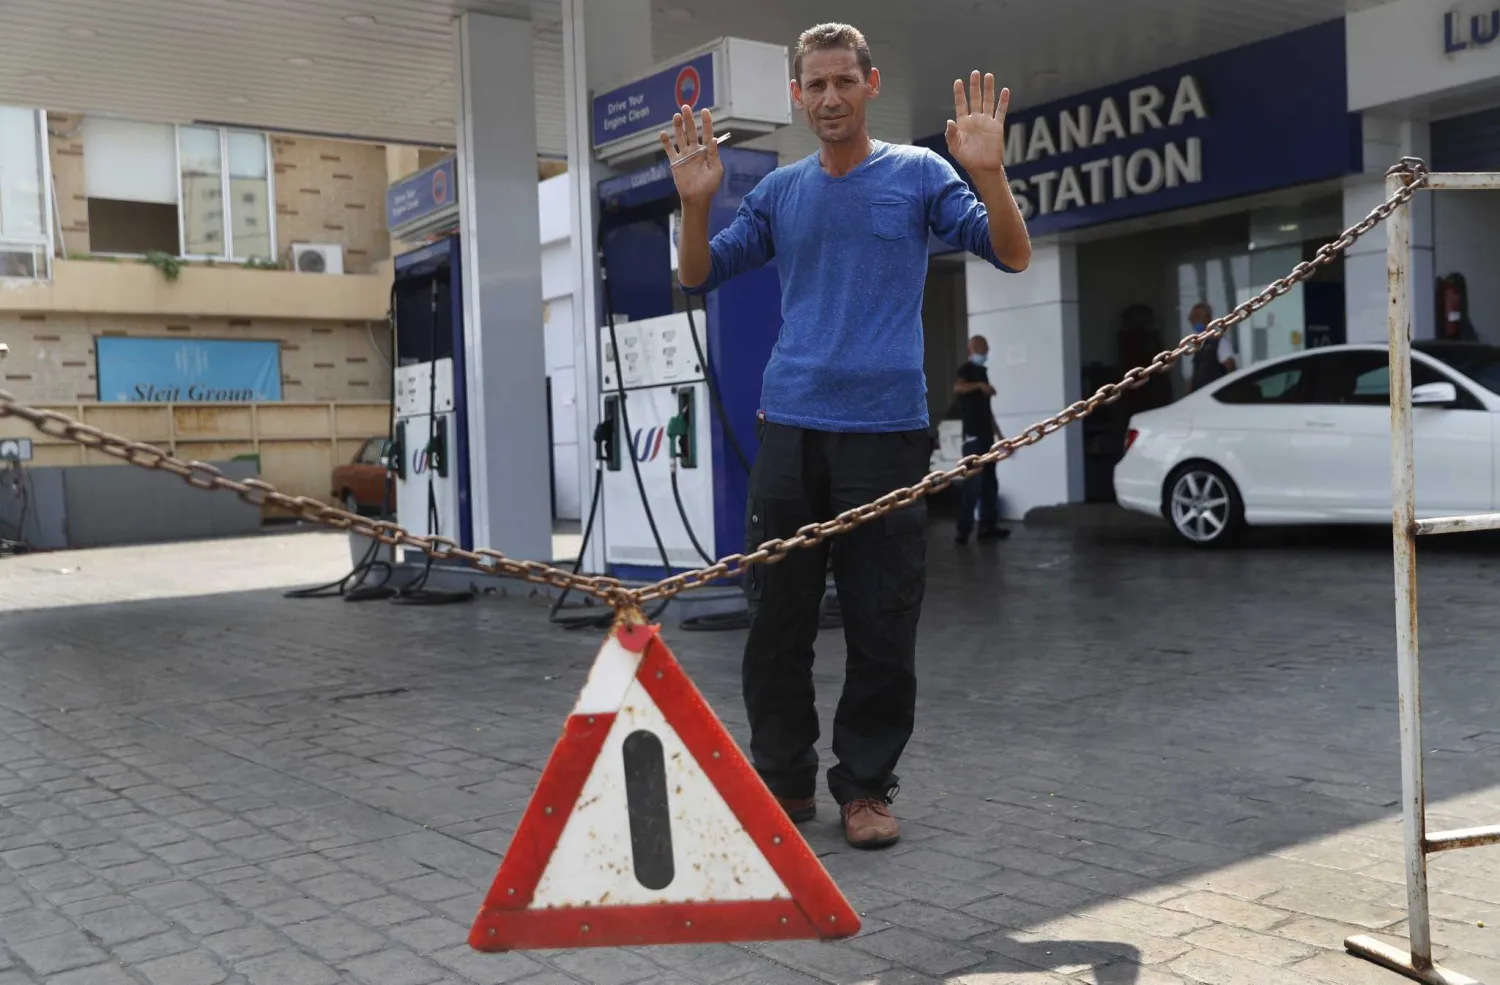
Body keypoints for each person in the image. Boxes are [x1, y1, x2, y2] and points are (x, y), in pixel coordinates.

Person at [662, 21, 1031, 850]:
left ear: (868, 84)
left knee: (882, 621)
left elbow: (1011, 253)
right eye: (815, 86)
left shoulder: (919, 173)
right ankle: (784, 784)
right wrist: (693, 204)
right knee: (777, 622)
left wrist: (991, 173)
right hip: (790, 431)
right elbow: (698, 273)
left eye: (843, 82)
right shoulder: (781, 193)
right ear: (797, 97)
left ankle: (866, 787)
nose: (829, 97)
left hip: (887, 436)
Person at [952, 335, 1009, 545]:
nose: (985, 352)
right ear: (972, 349)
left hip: (986, 435)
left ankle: (988, 526)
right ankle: (963, 530)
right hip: (974, 436)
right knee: (973, 483)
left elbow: (987, 411)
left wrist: (999, 434)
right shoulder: (967, 370)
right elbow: (958, 387)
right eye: (982, 348)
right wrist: (979, 386)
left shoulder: (982, 372)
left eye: (986, 348)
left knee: (990, 483)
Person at [1186, 302, 1237, 391]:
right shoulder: (1199, 343)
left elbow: (1230, 366)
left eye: (1197, 317)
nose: (1193, 321)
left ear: (1208, 318)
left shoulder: (1219, 341)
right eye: (1192, 318)